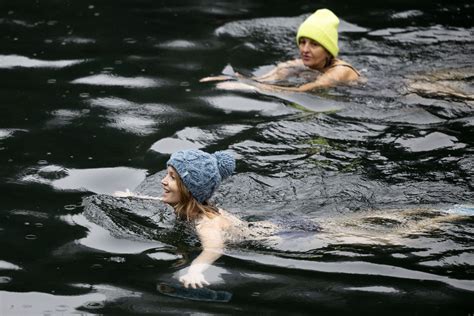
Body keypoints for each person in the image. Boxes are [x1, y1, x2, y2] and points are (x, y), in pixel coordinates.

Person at [200, 8, 360, 92]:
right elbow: (267, 78)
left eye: (314, 44)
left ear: (328, 50)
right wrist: (231, 80)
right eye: (302, 42)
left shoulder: (340, 71)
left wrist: (250, 87)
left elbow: (303, 90)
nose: (305, 49)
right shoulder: (300, 64)